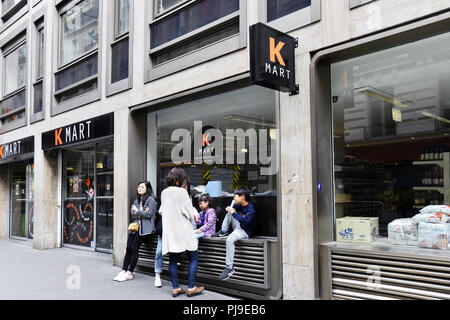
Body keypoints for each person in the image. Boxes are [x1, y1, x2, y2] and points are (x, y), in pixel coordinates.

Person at [159, 168, 204, 297]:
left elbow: (161, 211)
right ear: (179, 180)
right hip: (183, 230)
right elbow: (190, 213)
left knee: (173, 260)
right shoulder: (182, 193)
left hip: (170, 231)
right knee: (193, 257)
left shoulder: (164, 193)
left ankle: (176, 288)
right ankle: (191, 287)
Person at [114, 181, 157, 282]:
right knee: (128, 247)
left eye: (142, 187)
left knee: (134, 248)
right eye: (139, 187)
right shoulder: (137, 200)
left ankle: (129, 272)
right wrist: (141, 212)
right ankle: (123, 270)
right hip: (135, 227)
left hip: (144, 230)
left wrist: (138, 211)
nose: (139, 189)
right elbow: (132, 214)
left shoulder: (151, 200)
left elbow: (149, 214)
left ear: (147, 188)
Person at [212, 188, 256, 280]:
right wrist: (232, 208)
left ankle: (229, 268)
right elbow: (234, 213)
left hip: (245, 231)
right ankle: (224, 231)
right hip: (240, 226)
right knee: (230, 212)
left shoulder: (251, 208)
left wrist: (233, 212)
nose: (234, 198)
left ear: (242, 197)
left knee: (229, 240)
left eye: (235, 196)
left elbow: (246, 221)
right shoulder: (240, 205)